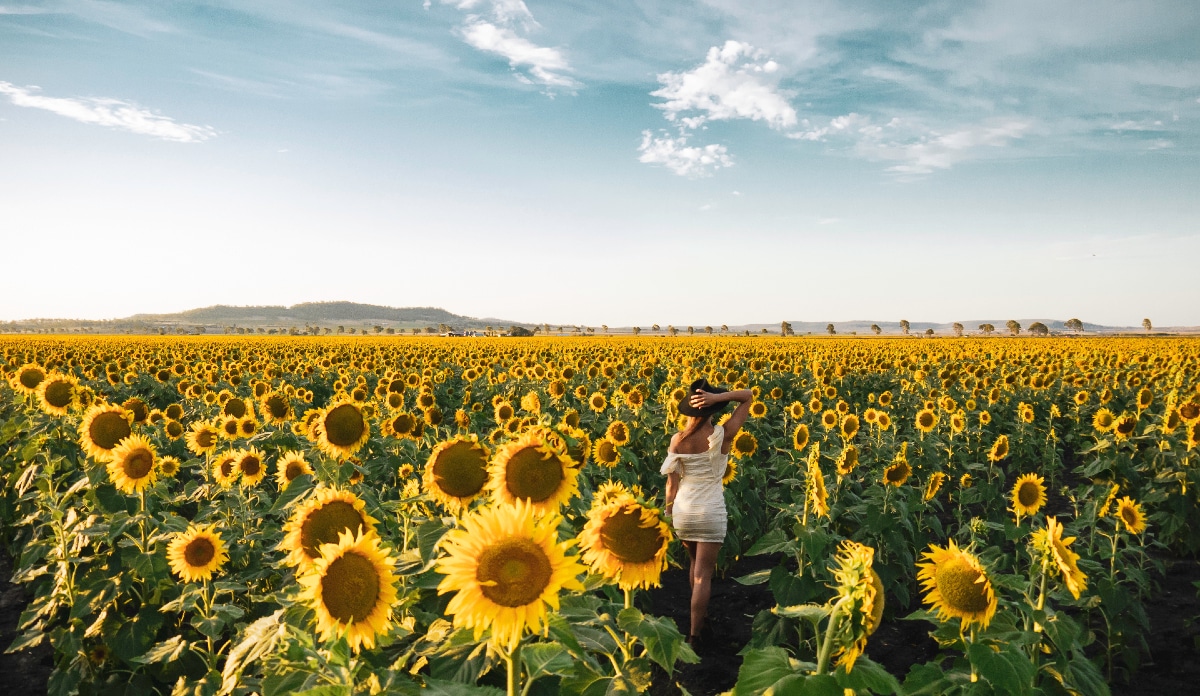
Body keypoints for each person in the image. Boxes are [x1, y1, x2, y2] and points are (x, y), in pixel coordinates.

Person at [660, 378, 753, 649]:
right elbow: (747, 396)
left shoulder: (678, 439)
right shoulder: (721, 436)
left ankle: (696, 615)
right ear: (711, 410)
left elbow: (671, 483)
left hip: (684, 512)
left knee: (693, 567)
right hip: (710, 512)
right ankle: (695, 634)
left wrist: (669, 513)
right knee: (704, 575)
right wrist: (719, 398)